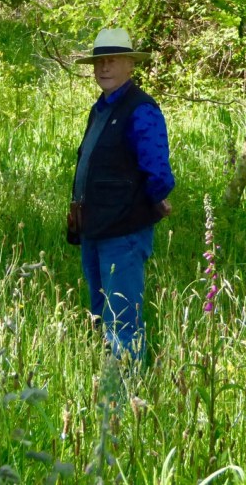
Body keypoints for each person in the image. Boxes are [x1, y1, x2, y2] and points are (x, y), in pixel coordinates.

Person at [67, 28, 175, 362]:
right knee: (100, 313)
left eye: (113, 60)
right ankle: (107, 378)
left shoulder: (142, 109)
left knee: (123, 318)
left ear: (130, 64)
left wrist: (152, 201)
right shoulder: (100, 108)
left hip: (124, 230)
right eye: (99, 61)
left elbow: (158, 171)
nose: (104, 67)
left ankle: (128, 385)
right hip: (95, 226)